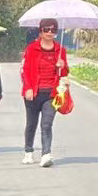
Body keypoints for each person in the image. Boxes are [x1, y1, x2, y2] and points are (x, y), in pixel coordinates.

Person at [20, 18, 69, 167]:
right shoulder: (31, 49)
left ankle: (46, 154)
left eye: (53, 30)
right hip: (33, 93)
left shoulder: (60, 50)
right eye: (46, 29)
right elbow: (25, 71)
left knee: (47, 124)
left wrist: (63, 65)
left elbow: (64, 73)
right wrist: (28, 88)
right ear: (40, 31)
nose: (49, 32)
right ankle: (28, 152)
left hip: (52, 93)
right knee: (31, 124)